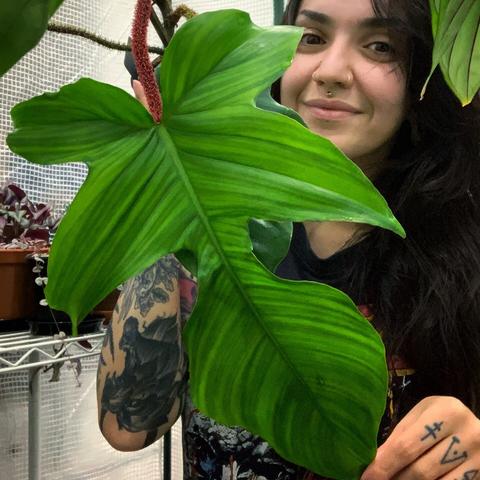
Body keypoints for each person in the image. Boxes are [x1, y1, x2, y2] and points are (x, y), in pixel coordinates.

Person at [97, 0, 480, 478]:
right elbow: (128, 422)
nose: (332, 70)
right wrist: (167, 181)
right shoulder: (226, 223)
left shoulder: (463, 246)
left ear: (424, 75)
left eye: (379, 46)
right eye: (311, 38)